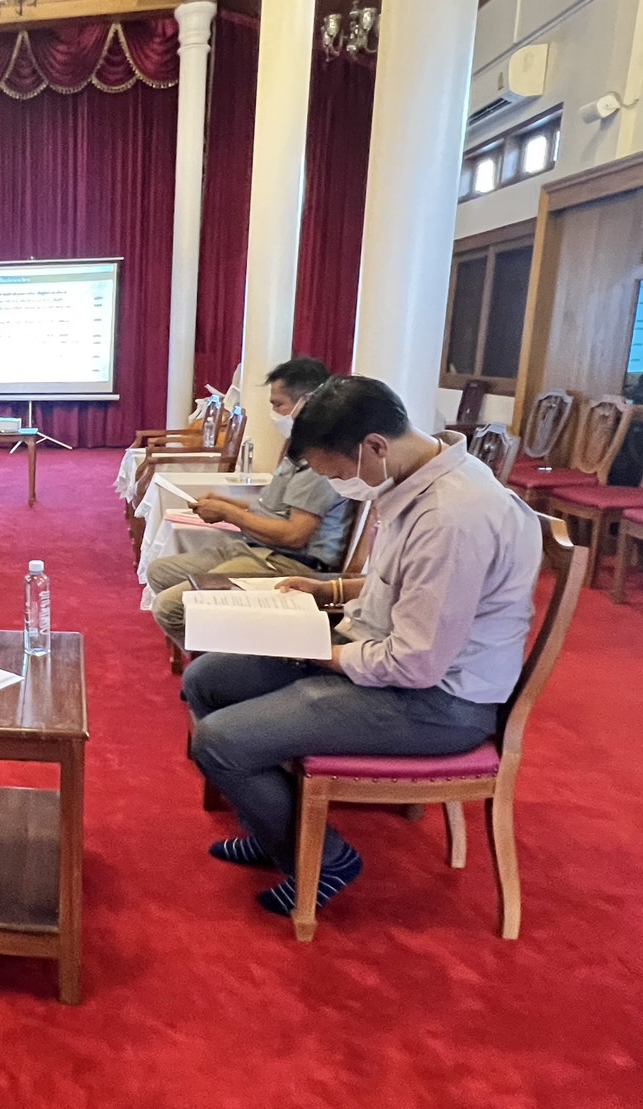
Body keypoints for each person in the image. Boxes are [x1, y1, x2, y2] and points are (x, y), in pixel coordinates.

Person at [184, 376, 543, 919]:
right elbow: (397, 586)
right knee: (207, 680)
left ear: (374, 446)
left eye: (336, 473)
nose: (338, 485)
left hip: (438, 703)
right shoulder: (416, 478)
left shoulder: (451, 518)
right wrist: (326, 591)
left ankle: (325, 860)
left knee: (219, 742)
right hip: (378, 654)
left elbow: (415, 663)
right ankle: (275, 827)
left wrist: (315, 654)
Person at [144, 358, 353, 647]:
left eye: (278, 405)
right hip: (257, 548)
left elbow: (294, 536)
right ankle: (218, 648)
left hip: (287, 562)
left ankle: (223, 659)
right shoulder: (298, 447)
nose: (274, 414)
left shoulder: (321, 457)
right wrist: (228, 505)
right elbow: (275, 510)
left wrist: (229, 513)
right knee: (159, 571)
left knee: (170, 607)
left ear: (307, 401)